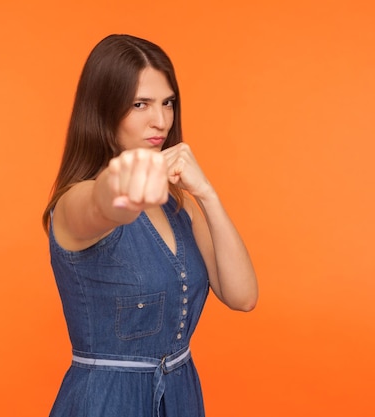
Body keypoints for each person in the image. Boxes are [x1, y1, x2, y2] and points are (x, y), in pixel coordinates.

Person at [42, 34, 258, 417]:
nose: (160, 121)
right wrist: (118, 189)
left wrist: (206, 193)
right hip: (107, 403)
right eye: (139, 104)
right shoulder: (74, 205)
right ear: (103, 110)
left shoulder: (181, 208)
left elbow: (243, 297)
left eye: (167, 103)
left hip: (180, 397)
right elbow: (100, 205)